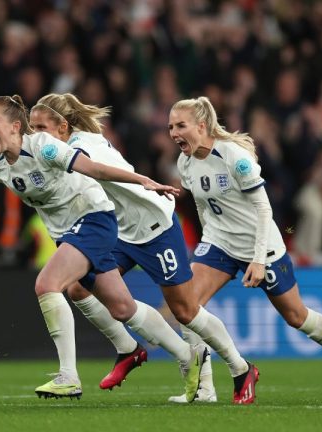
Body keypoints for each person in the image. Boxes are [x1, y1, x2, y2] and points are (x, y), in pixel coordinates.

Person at [0, 95, 203, 401]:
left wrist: (142, 181)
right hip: (71, 234)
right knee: (123, 308)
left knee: (47, 284)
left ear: (15, 126)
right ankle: (186, 355)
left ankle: (69, 377)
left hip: (94, 220)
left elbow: (93, 170)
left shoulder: (42, 146)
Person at [30, 93, 257, 404]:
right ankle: (127, 349)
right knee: (76, 288)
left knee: (186, 311)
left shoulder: (83, 148)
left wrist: (145, 181)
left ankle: (240, 369)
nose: (34, 135)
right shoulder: (66, 144)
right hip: (119, 231)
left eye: (40, 127)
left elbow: (97, 171)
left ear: (62, 127)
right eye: (31, 128)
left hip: (154, 227)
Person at [168, 96, 322, 401]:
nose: (173, 133)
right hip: (220, 243)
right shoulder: (185, 162)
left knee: (296, 316)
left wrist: (258, 260)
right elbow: (204, 209)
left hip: (260, 245)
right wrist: (207, 242)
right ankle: (205, 388)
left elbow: (265, 211)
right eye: (170, 126)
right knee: (186, 307)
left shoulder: (234, 157)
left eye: (180, 125)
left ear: (201, 126)